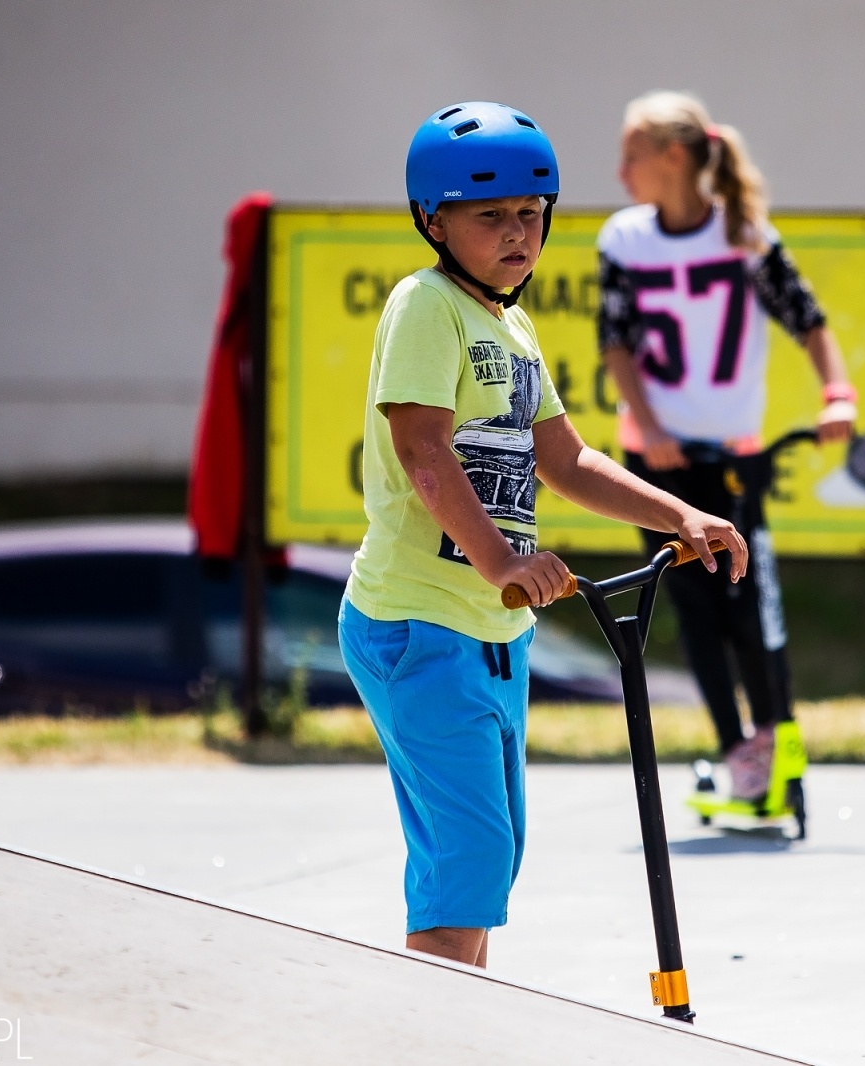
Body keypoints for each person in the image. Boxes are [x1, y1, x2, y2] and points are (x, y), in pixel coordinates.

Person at [337, 101, 749, 968]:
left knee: (491, 860)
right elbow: (421, 450)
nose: (518, 233)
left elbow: (567, 459)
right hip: (420, 623)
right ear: (433, 221)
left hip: (492, 631)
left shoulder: (511, 326)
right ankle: (439, 1039)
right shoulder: (428, 305)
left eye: (532, 213)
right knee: (470, 859)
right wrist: (504, 561)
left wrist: (682, 516)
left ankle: (456, 1025)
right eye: (490, 216)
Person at [597, 91, 856, 802]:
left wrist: (838, 394)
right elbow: (614, 342)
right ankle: (737, 753)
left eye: (632, 157)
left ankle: (777, 747)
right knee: (693, 609)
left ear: (673, 157)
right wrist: (649, 426)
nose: (620, 173)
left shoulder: (745, 236)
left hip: (732, 458)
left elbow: (809, 320)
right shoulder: (623, 240)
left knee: (750, 601)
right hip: (659, 463)